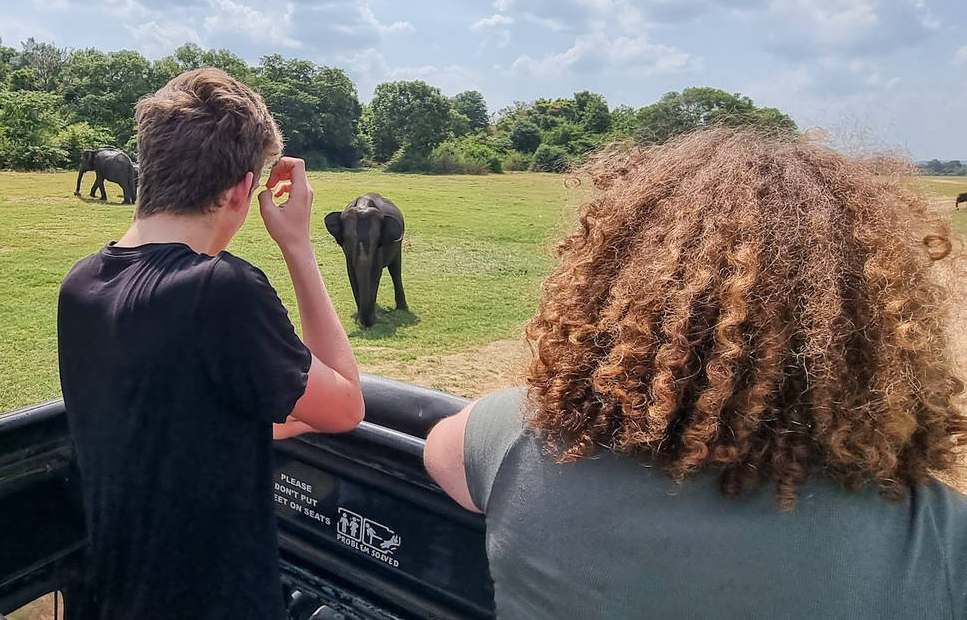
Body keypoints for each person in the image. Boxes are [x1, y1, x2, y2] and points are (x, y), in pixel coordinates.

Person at [424, 128, 967, 619]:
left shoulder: (517, 436)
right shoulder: (941, 534)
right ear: (875, 328)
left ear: (618, 287)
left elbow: (441, 449)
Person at [57, 68, 363, 620]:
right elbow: (345, 405)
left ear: (146, 168)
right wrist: (297, 245)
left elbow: (175, 417)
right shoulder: (219, 289)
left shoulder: (82, 283)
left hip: (118, 596)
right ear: (244, 189)